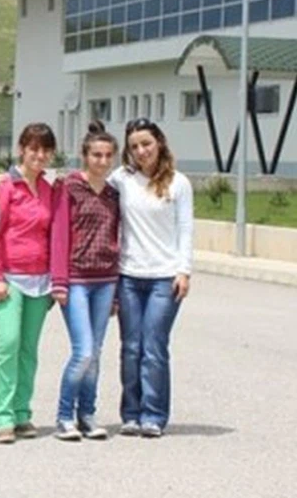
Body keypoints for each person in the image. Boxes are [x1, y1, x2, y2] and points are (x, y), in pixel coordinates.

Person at [112, 117, 193, 439]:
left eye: (146, 143)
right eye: (134, 146)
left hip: (165, 277)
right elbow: (89, 181)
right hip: (129, 276)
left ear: (159, 142)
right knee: (131, 347)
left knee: (154, 347)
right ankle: (131, 414)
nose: (141, 151)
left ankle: (154, 415)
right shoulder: (122, 179)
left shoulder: (178, 183)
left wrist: (184, 270)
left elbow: (185, 228)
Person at [0, 123, 58, 444]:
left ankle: (21, 412)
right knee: (9, 343)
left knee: (28, 349)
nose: (39, 155)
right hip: (9, 278)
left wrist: (56, 279)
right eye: (34, 149)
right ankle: (1, 416)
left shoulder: (48, 189)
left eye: (45, 150)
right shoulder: (6, 186)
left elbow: (53, 234)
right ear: (22, 150)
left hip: (40, 281)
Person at [49, 121, 120, 442]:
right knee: (84, 351)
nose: (102, 161)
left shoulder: (113, 194)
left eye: (107, 155)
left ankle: (87, 415)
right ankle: (64, 416)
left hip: (106, 279)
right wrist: (59, 281)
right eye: (96, 155)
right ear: (85, 156)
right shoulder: (69, 188)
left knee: (97, 352)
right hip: (76, 279)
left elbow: (118, 237)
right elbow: (59, 234)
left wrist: (117, 291)